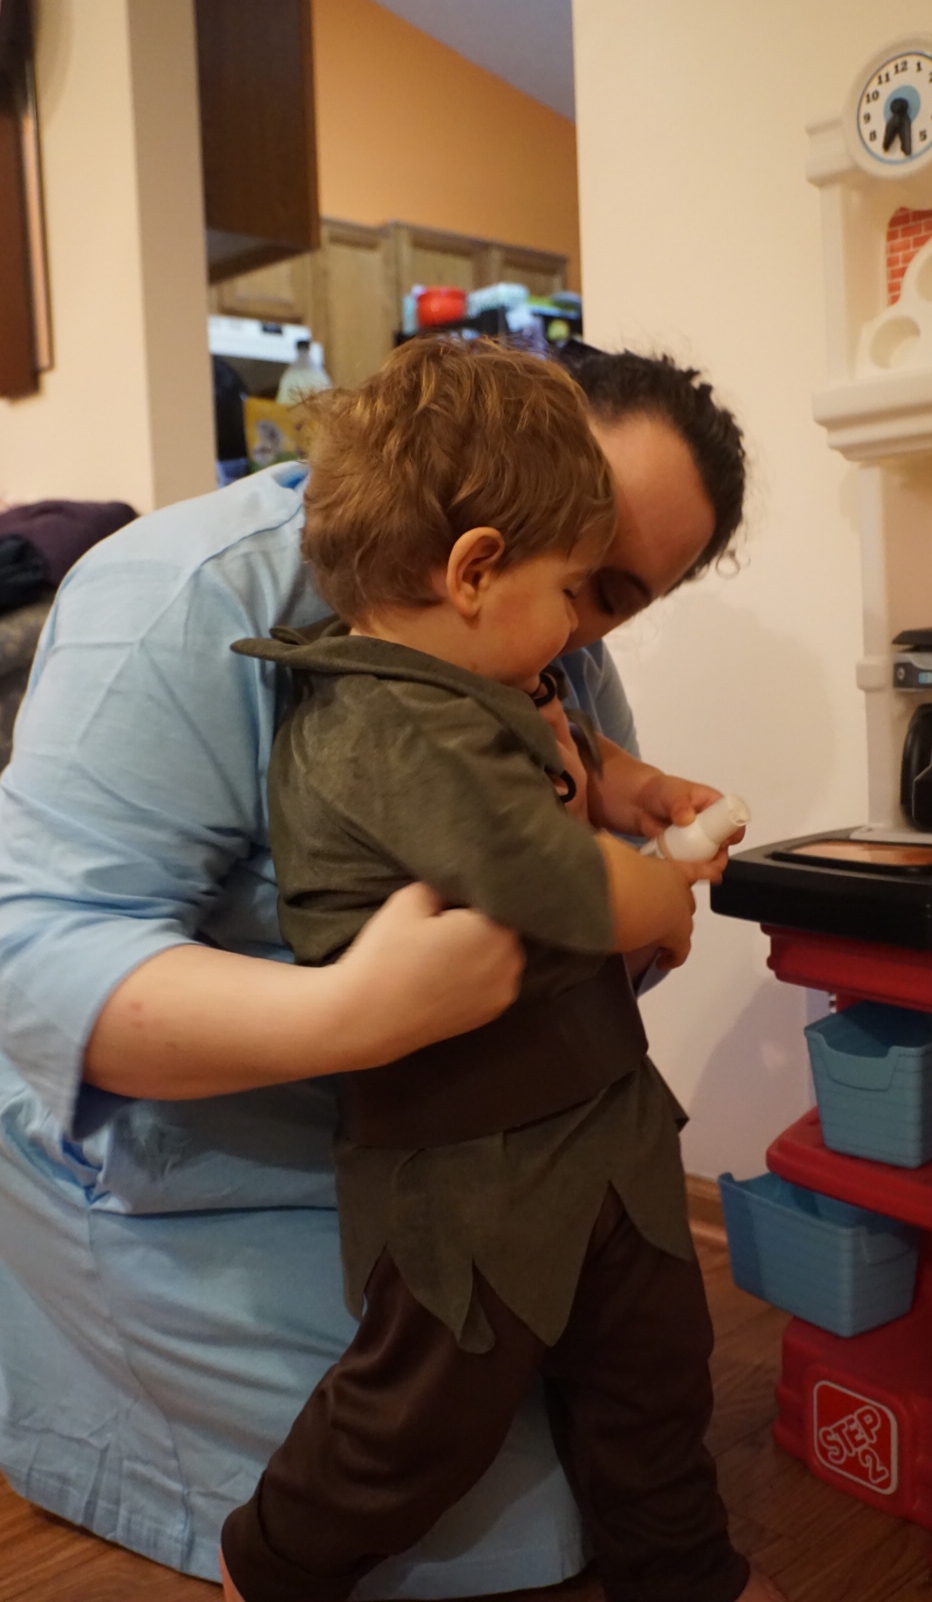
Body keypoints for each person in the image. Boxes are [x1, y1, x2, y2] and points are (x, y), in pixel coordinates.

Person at [0, 340, 753, 1594]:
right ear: (487, 521)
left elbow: (566, 865)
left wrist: (622, 820)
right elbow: (43, 963)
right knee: (485, 1508)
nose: (577, 630)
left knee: (612, 1410)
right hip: (144, 1109)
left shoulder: (546, 642)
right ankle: (79, 1384)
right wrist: (356, 1009)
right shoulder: (191, 597)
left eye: (616, 596)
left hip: (432, 1120)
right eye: (573, 576)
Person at [218, 336, 771, 1602]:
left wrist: (633, 784)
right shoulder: (376, 718)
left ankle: (685, 1575)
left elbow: (556, 748)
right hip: (468, 1163)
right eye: (575, 588)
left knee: (656, 1374)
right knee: (419, 1419)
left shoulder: (486, 686)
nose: (579, 632)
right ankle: (272, 1564)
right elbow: (543, 868)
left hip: (602, 1125)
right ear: (472, 571)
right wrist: (657, 880)